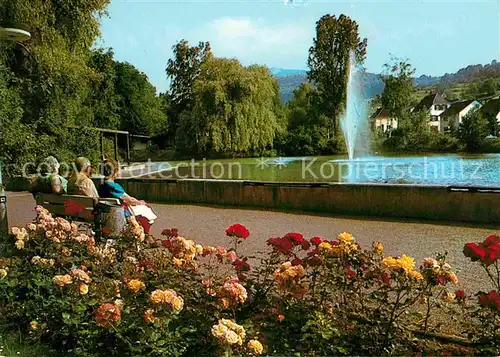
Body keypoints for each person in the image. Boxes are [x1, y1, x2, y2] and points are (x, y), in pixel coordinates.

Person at [98, 159, 156, 230]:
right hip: (121, 213)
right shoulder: (115, 187)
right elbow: (130, 200)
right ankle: (146, 235)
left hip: (105, 212)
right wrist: (139, 202)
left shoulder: (101, 186)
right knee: (147, 209)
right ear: (115, 172)